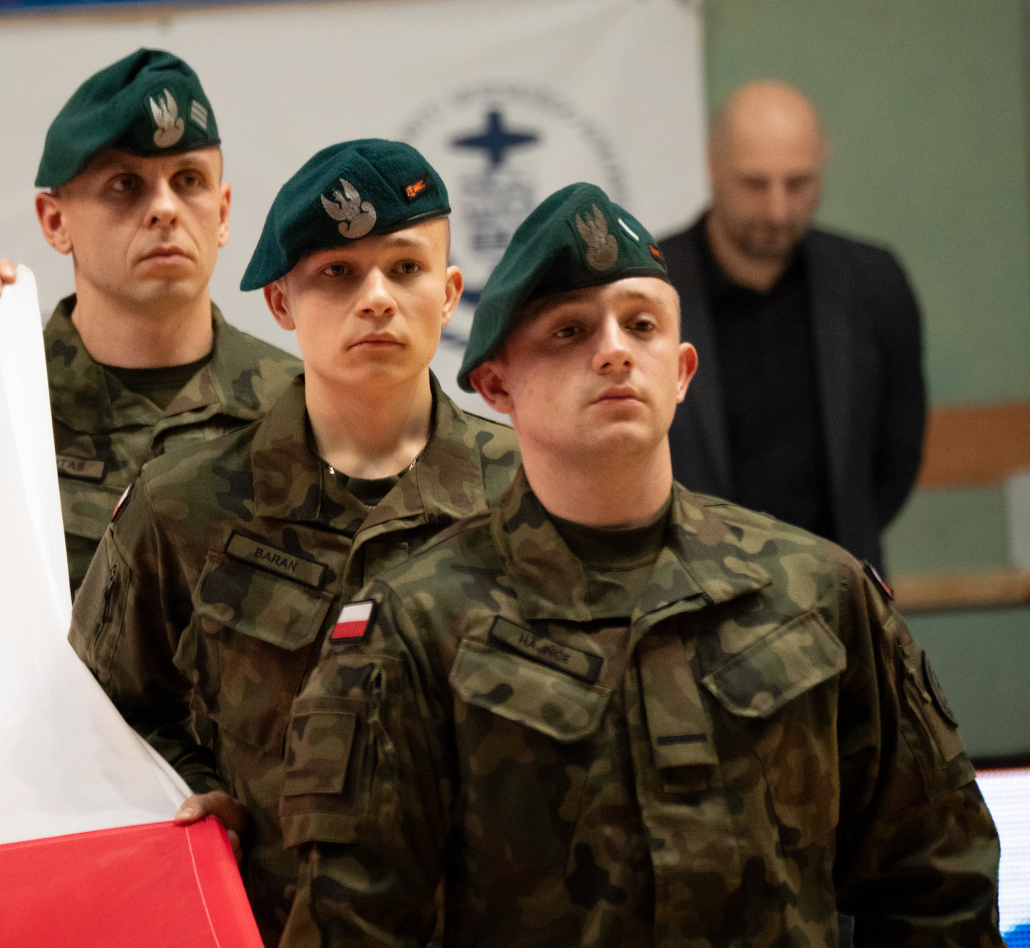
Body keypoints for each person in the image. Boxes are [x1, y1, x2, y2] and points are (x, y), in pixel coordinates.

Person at [278, 183, 1002, 947]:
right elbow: (353, 926)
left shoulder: (815, 590)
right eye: (569, 331)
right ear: (495, 383)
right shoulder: (415, 626)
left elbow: (936, 881)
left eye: (642, 325)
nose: (615, 350)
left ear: (682, 371)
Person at [68, 139, 521, 945]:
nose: (376, 299)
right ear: (281, 301)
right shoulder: (186, 504)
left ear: (451, 293)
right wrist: (190, 792)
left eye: (405, 269)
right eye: (337, 273)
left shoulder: (530, 495)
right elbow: (100, 709)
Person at [0, 49, 300, 596]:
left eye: (188, 180)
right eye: (125, 185)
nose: (165, 208)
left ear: (222, 213)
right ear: (55, 221)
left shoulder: (303, 408)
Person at [660, 81, 925, 572]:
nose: (777, 210)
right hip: (690, 592)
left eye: (798, 183)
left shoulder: (874, 285)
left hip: (837, 589)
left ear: (824, 163)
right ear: (712, 165)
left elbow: (895, 461)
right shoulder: (648, 291)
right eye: (754, 184)